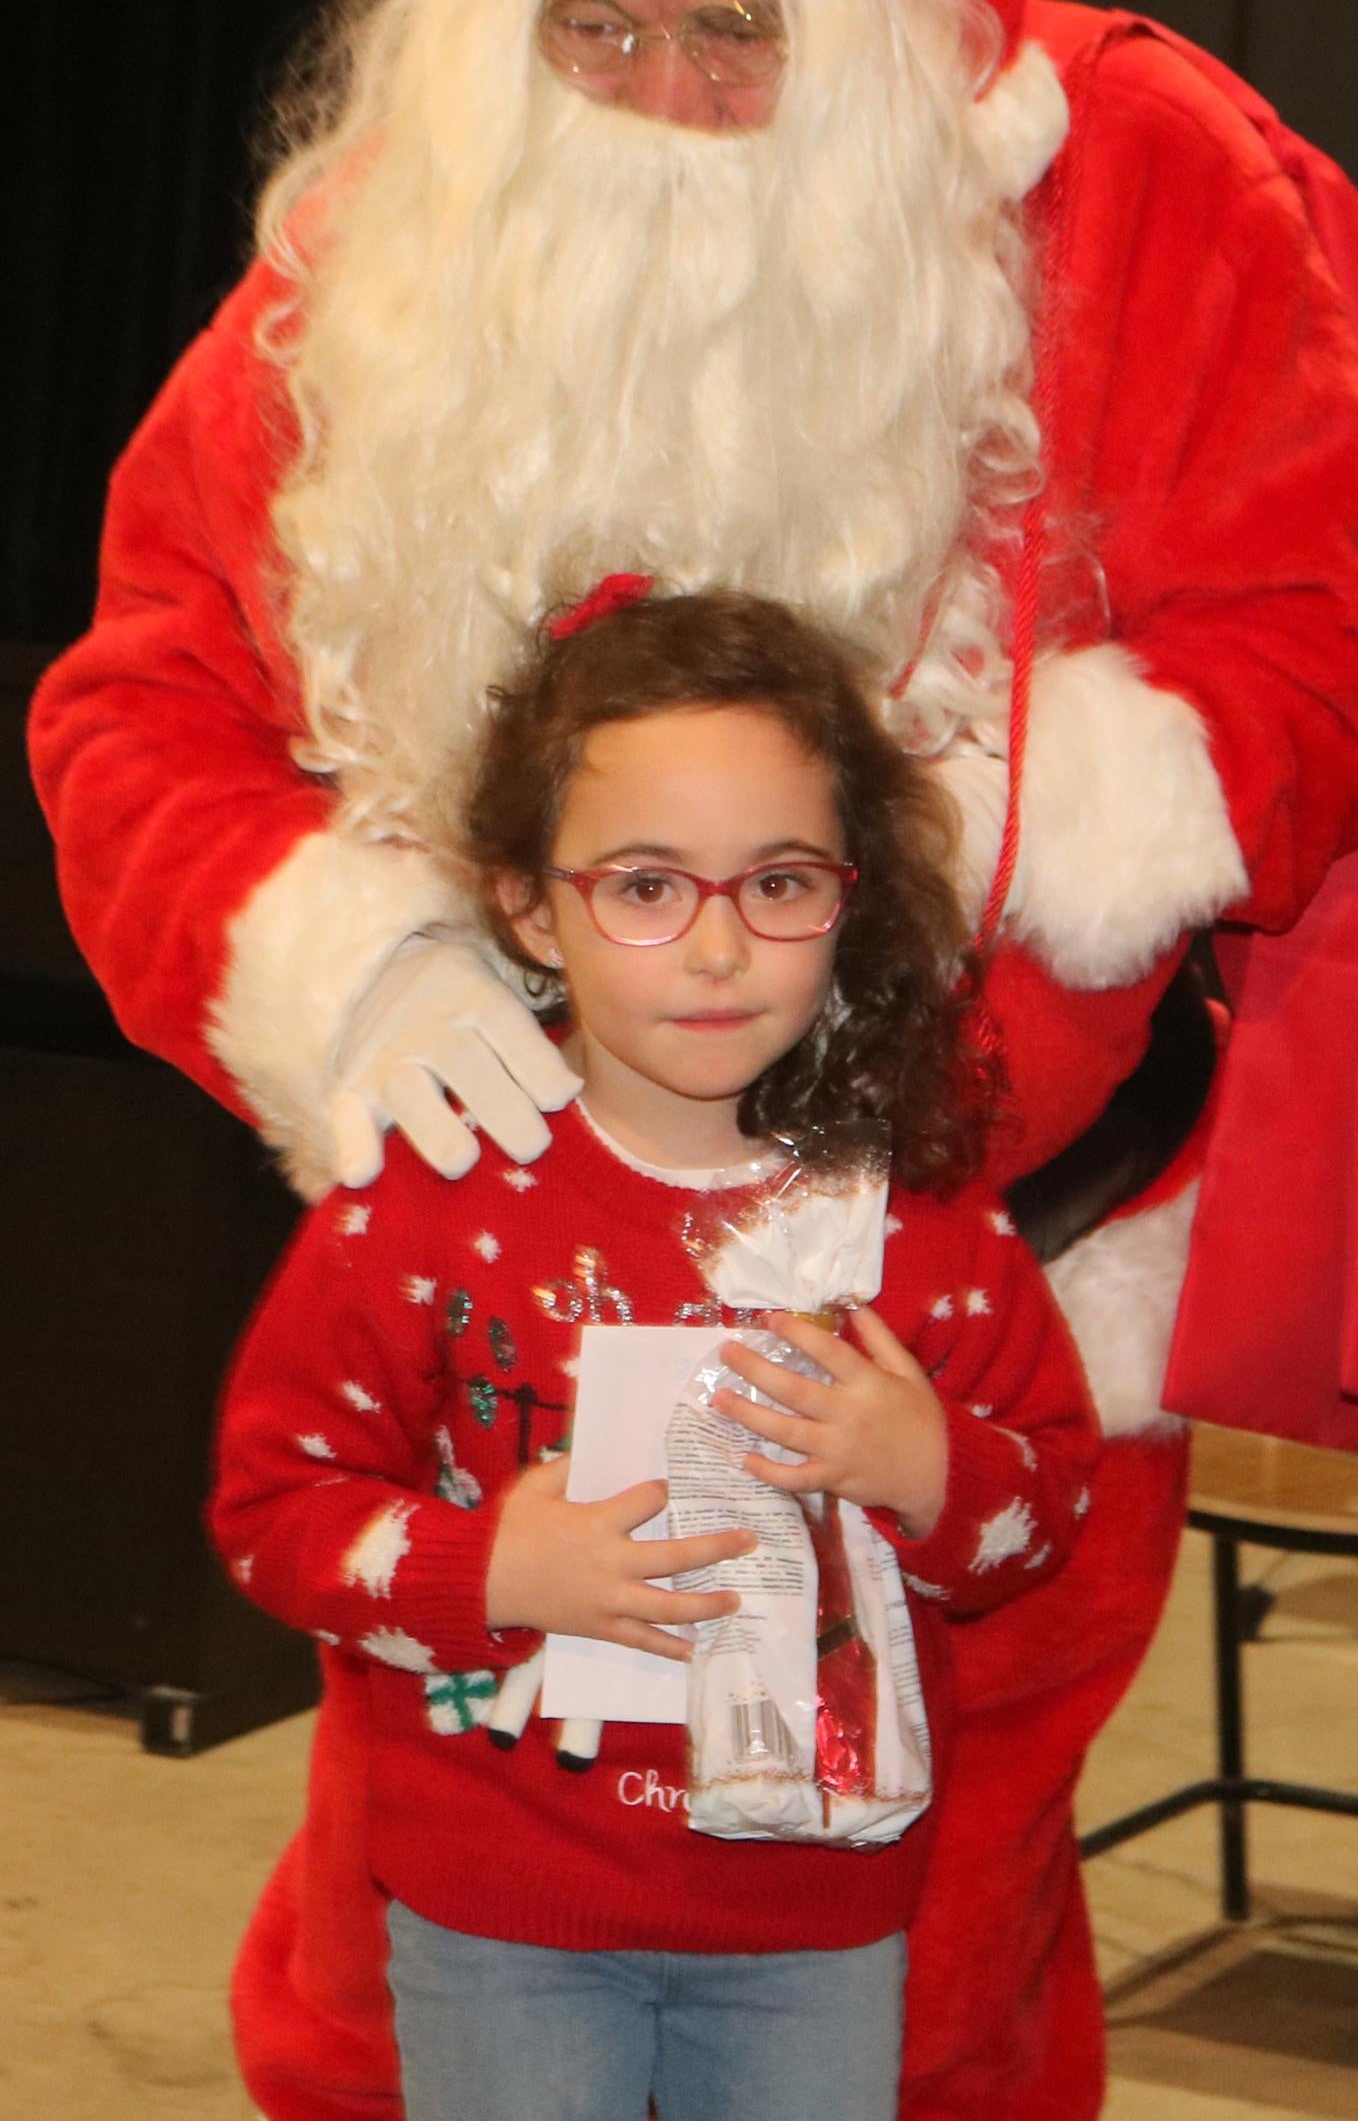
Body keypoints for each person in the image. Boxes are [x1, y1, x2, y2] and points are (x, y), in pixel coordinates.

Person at [31, 0, 1358, 2120]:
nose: (647, 90)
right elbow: (146, 698)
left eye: (730, 28)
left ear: (870, 15)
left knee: (908, 2008)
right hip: (495, 1309)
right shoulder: (401, 239)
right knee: (412, 1977)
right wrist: (346, 968)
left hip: (969, 1318)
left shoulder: (1138, 184)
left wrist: (1061, 838)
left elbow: (1334, 636)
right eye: (592, 16)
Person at [207, 586, 1099, 2121]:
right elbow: (275, 1510)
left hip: (813, 1915)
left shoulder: (924, 1218)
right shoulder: (428, 1197)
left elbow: (1048, 1504)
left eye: (778, 883)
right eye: (643, 887)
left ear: (853, 894)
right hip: (504, 1912)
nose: (715, 948)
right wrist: (486, 1572)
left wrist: (929, 1467)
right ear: (528, 906)